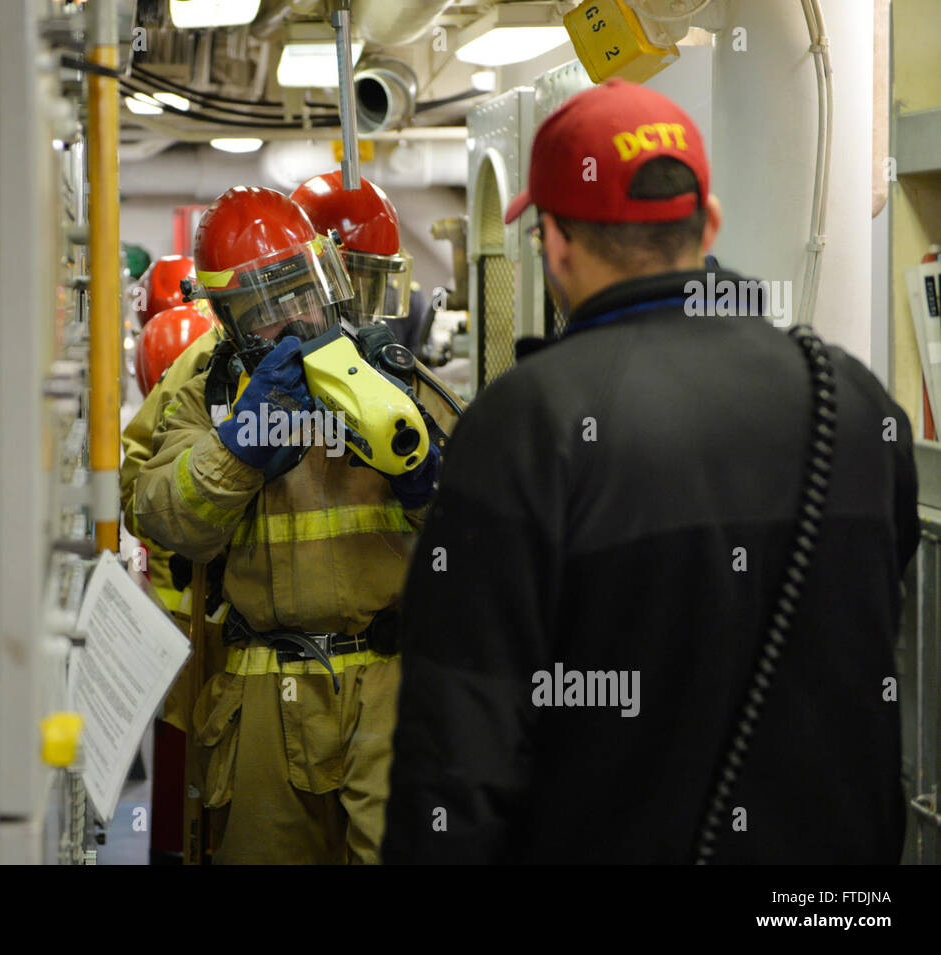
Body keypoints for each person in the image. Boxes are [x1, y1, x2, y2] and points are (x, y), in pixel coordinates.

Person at [384, 79, 919, 864]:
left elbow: (458, 751)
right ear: (708, 223)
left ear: (555, 241)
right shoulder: (855, 399)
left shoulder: (524, 424)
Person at [132, 183, 459, 863]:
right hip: (260, 695)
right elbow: (160, 512)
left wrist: (429, 482)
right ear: (230, 319)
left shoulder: (394, 377)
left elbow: (481, 539)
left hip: (390, 687)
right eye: (263, 309)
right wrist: (235, 450)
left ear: (330, 282)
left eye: (300, 292)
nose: (292, 321)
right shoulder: (210, 391)